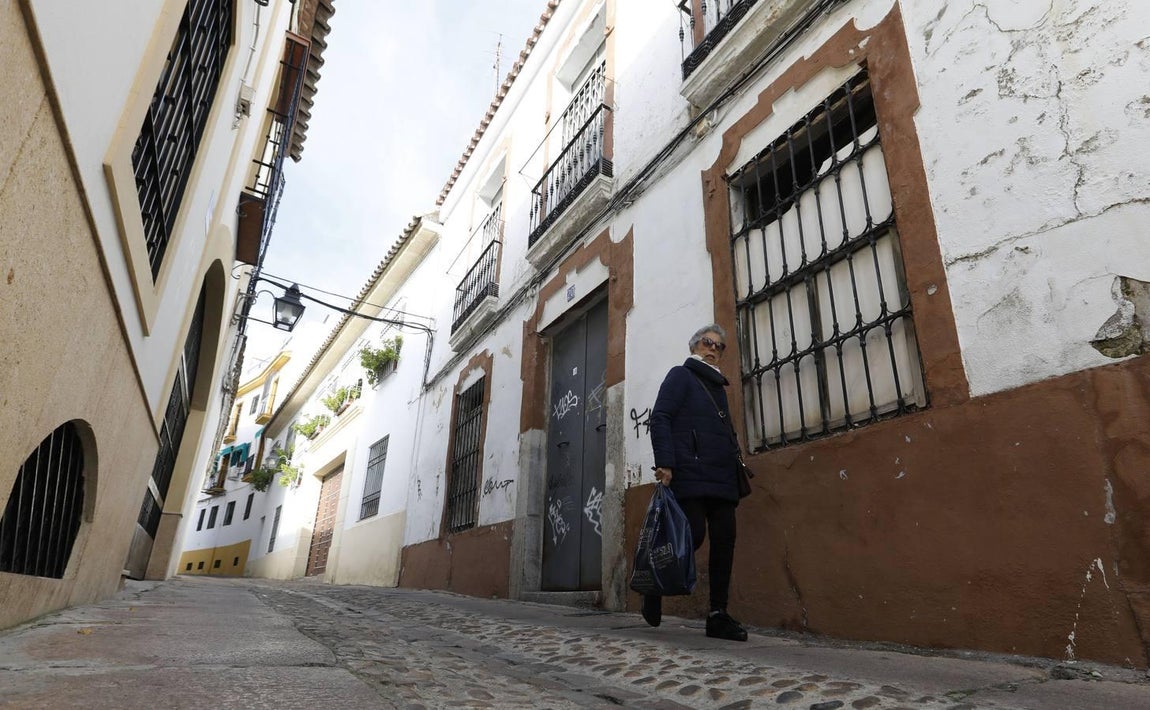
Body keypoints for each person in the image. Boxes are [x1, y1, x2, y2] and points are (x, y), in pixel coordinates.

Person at [645, 323, 747, 642]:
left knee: (725, 541)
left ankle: (718, 614)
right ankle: (654, 585)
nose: (713, 348)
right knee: (692, 536)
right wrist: (665, 462)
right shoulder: (681, 375)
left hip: (722, 475)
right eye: (707, 342)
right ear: (694, 346)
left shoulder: (718, 386)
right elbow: (660, 417)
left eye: (719, 346)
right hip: (690, 472)